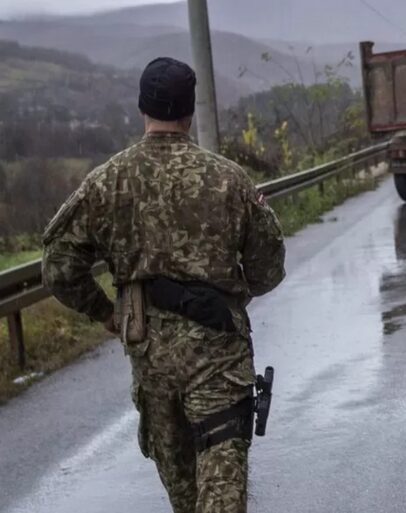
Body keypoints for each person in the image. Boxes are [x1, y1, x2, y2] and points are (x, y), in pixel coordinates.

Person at [42, 57, 286, 513]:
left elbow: (58, 267)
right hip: (218, 354)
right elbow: (268, 268)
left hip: (151, 358)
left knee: (185, 496)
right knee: (222, 488)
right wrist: (238, 294)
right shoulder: (228, 179)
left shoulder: (105, 182)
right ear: (189, 112)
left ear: (143, 108)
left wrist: (104, 312)